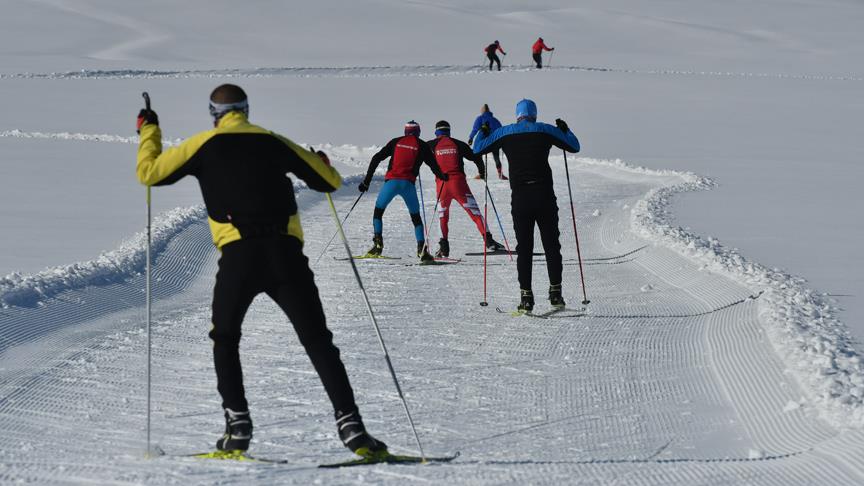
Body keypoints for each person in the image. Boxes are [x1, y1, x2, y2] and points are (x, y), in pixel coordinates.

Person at [136, 84, 387, 456]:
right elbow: (329, 182)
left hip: (239, 257)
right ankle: (352, 428)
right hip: (285, 255)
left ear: (213, 112)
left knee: (225, 338)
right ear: (247, 109)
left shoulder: (202, 145)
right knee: (318, 340)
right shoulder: (273, 141)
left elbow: (150, 173)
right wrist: (321, 163)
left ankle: (237, 428)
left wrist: (149, 130)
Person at [472, 99, 580, 312]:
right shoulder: (545, 130)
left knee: (525, 249)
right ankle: (556, 293)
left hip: (521, 198)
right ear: (535, 114)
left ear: (517, 114)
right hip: (545, 196)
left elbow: (477, 149)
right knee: (551, 245)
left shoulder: (505, 132)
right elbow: (574, 146)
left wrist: (483, 131)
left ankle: (526, 298)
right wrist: (565, 129)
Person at [359, 121, 448, 262]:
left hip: (391, 184)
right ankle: (422, 250)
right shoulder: (422, 145)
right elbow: (434, 166)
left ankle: (377, 245)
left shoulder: (396, 141)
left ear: (405, 131)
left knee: (378, 212)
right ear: (418, 132)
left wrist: (366, 182)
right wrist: (443, 176)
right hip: (408, 185)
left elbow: (376, 158)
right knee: (416, 218)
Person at [427, 120, 505, 257]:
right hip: (459, 185)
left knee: (442, 217)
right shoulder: (458, 144)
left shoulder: (430, 145)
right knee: (475, 214)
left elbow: (417, 155)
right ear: (449, 131)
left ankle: (443, 247)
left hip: (442, 187)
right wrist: (482, 172)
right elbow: (476, 156)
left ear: (436, 132)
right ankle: (489, 241)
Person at [468, 104, 507, 180]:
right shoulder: (495, 120)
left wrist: (471, 138)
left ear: (482, 111)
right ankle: (500, 174)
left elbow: (475, 129)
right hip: (494, 141)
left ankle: (482, 174)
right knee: (496, 156)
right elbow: (501, 130)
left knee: (478, 154)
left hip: (483, 141)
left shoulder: (480, 118)